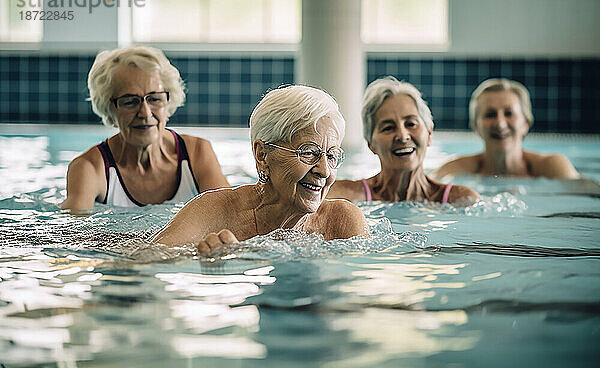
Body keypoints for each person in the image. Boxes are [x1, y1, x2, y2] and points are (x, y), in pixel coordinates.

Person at [153, 85, 368, 254]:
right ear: (262, 155)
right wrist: (198, 255)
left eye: (331, 156)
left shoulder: (343, 222)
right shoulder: (213, 212)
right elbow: (144, 259)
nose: (324, 170)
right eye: (309, 152)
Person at [61, 46, 229, 213]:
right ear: (109, 108)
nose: (145, 113)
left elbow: (230, 218)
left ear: (168, 101)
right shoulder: (89, 168)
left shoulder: (197, 153)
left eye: (154, 99)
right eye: (130, 101)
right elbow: (73, 235)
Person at [327, 76, 478, 204]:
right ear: (371, 144)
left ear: (429, 135)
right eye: (388, 128)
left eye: (411, 124)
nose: (403, 136)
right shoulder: (343, 196)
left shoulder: (461, 200)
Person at [434, 78, 579, 180]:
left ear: (526, 123)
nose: (500, 124)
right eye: (490, 115)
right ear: (476, 126)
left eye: (509, 113)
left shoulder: (553, 168)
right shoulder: (454, 171)